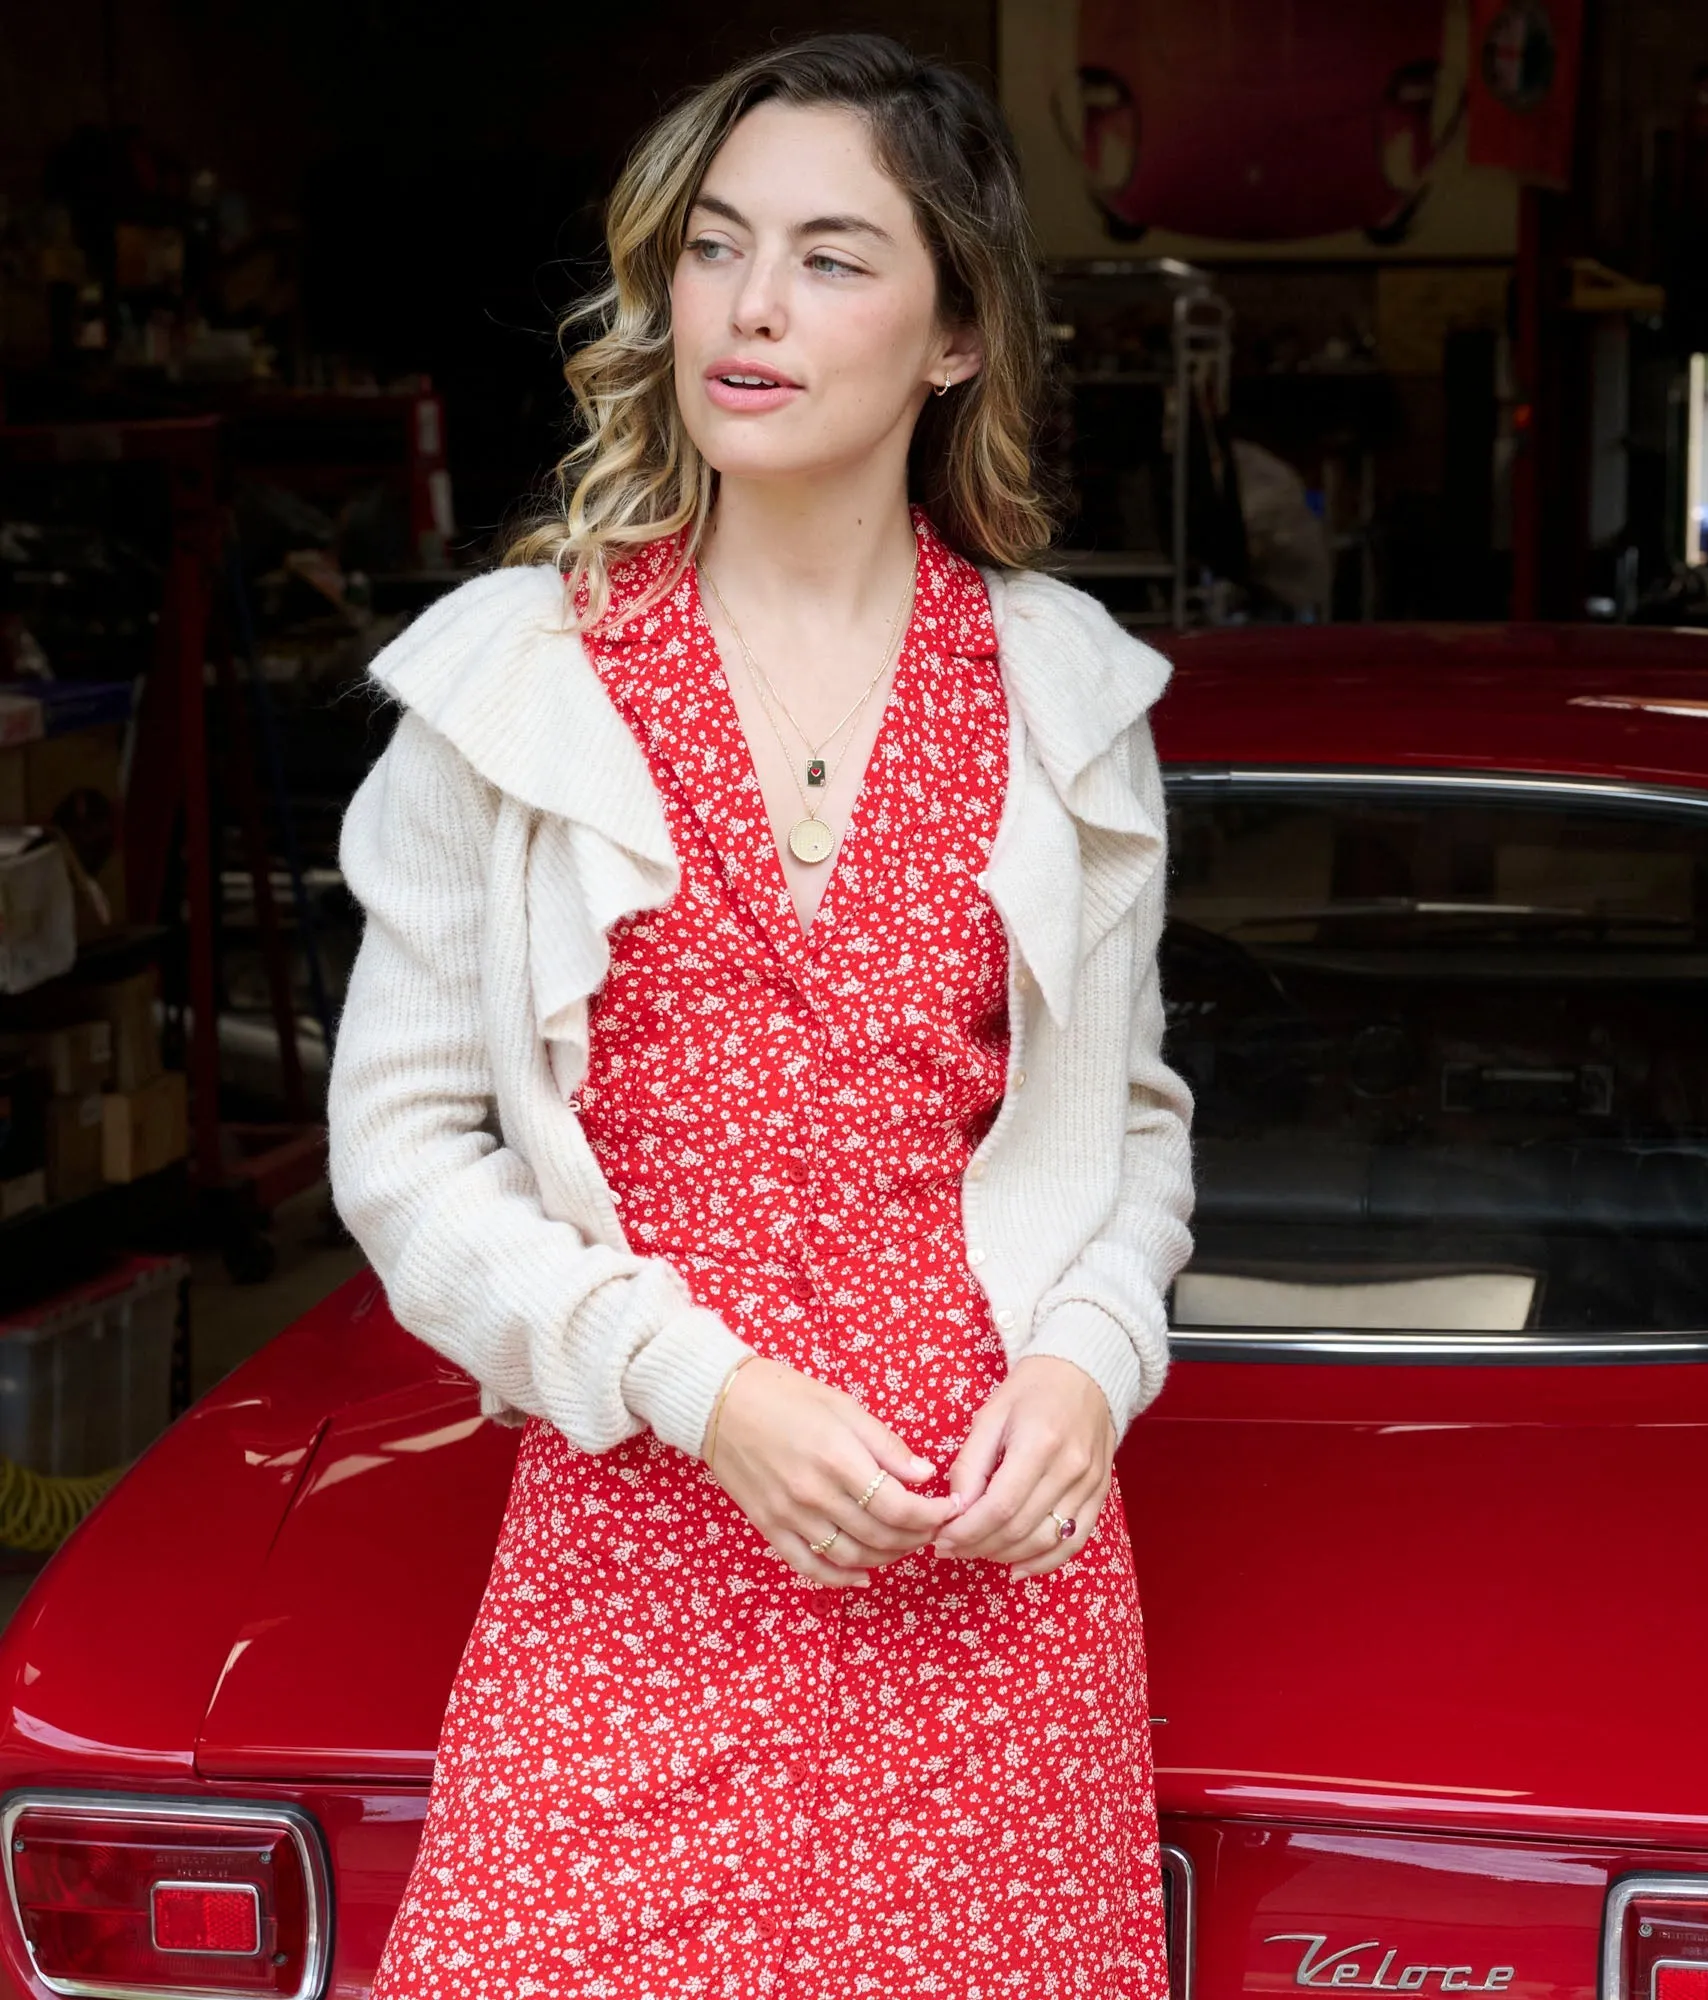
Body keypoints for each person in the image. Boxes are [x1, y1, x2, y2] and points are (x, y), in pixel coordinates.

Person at [327, 30, 1194, 2000]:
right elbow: (398, 1157)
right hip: (632, 1559)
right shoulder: (511, 684)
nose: (749, 306)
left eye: (828, 256)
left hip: (990, 1581)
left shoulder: (1069, 696)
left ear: (956, 329)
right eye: (717, 249)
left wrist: (1083, 1365)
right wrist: (698, 1386)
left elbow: (1130, 1123)